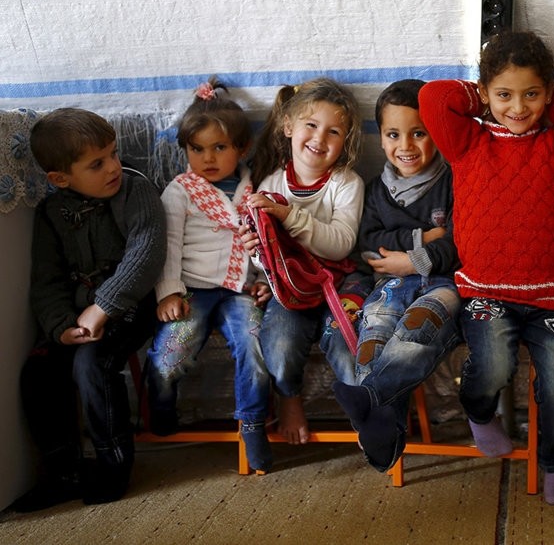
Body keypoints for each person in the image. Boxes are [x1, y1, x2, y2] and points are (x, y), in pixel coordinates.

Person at [419, 30, 554, 505]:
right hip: (487, 292)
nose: (519, 107)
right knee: (492, 368)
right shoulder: (469, 141)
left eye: (532, 94)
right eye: (505, 94)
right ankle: (479, 414)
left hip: (550, 297)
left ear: (548, 93)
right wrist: (484, 97)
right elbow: (433, 97)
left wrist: (549, 100)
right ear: (485, 94)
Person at [13, 109, 166, 511]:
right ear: (61, 179)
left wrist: (104, 307)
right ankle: (63, 472)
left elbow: (146, 252)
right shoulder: (51, 213)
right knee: (39, 371)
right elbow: (46, 280)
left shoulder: (136, 190)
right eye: (97, 164)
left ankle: (113, 466)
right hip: (78, 316)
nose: (113, 167)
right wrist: (61, 327)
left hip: (133, 307)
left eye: (113, 154)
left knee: (92, 365)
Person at [332, 79, 462, 472]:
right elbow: (370, 246)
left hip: (443, 285)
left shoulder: (455, 180)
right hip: (387, 286)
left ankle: (369, 400)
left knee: (415, 330)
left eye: (418, 133)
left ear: (436, 133)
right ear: (382, 138)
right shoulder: (376, 191)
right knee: (372, 338)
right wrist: (424, 238)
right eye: (393, 134)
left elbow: (463, 242)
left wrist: (414, 260)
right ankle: (386, 431)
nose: (405, 145)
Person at [146, 79, 274, 473]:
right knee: (170, 354)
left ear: (242, 148)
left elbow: (266, 244)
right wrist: (169, 293)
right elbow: (167, 247)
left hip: (238, 289)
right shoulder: (180, 191)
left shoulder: (257, 187)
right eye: (197, 149)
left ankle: (252, 424)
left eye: (220, 148)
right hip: (192, 289)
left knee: (255, 347)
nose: (208, 158)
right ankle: (162, 408)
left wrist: (263, 281)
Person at [245, 77, 365, 445]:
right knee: (278, 346)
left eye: (333, 132)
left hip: (336, 284)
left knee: (348, 350)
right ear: (289, 128)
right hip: (290, 291)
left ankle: (365, 413)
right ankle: (289, 399)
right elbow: (266, 250)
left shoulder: (346, 183)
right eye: (311, 126)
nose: (319, 138)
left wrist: (288, 215)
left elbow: (341, 244)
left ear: (344, 143)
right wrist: (258, 258)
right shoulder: (272, 182)